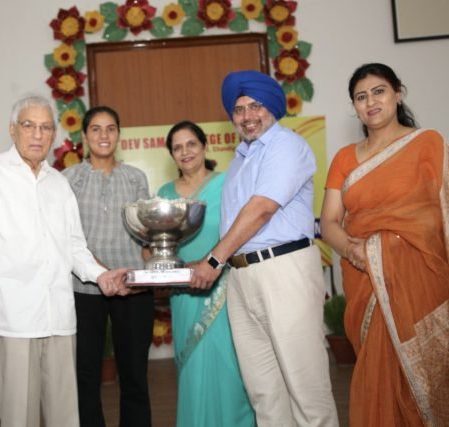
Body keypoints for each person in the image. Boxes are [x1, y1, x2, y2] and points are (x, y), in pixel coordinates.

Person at [0, 95, 129, 427]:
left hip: (60, 320)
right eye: (29, 125)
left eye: (46, 127)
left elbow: (75, 248)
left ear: (54, 134)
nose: (37, 135)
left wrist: (102, 276)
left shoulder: (58, 184)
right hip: (11, 320)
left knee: (66, 417)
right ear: (12, 129)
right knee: (20, 419)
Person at [189, 70, 338, 426]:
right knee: (264, 394)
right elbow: (235, 225)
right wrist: (215, 258)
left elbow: (261, 210)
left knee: (306, 391)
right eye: (238, 109)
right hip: (241, 275)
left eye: (255, 106)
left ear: (271, 108)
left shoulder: (287, 145)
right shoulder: (240, 159)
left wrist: (212, 259)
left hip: (284, 271)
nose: (247, 115)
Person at [321, 63, 449, 426]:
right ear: (354, 106)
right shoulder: (345, 158)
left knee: (426, 376)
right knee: (378, 375)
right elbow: (329, 221)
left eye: (378, 91)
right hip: (366, 279)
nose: (370, 102)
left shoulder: (429, 144)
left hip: (424, 279)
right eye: (360, 97)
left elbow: (441, 213)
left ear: (398, 93)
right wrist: (354, 251)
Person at [158, 120, 255, 427]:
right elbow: (157, 244)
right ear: (171, 155)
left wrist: (213, 263)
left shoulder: (228, 184)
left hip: (225, 288)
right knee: (192, 366)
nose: (185, 152)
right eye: (177, 147)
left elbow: (242, 232)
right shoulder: (164, 193)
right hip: (184, 290)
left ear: (204, 146)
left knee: (229, 364)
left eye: (191, 144)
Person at [62, 106, 154, 427]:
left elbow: (146, 236)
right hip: (84, 287)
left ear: (118, 134)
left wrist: (151, 272)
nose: (104, 135)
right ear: (84, 135)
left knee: (134, 373)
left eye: (111, 128)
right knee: (85, 373)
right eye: (96, 129)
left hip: (132, 286)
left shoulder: (135, 178)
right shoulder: (67, 179)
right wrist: (101, 272)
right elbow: (65, 237)